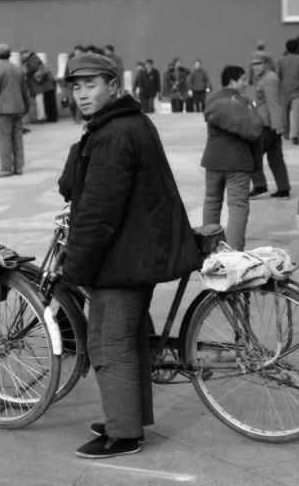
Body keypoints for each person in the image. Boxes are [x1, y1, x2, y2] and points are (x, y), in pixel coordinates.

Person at [58, 53, 200, 459]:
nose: (82, 94)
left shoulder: (114, 133)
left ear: (113, 87)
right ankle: (128, 419)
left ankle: (123, 434)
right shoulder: (121, 124)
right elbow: (73, 186)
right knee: (129, 341)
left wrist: (75, 269)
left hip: (123, 258)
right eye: (77, 87)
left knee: (108, 345)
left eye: (91, 86)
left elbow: (99, 213)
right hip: (136, 251)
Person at [201, 65, 264, 250]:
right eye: (243, 80)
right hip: (239, 162)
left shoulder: (211, 100)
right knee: (237, 206)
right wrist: (257, 168)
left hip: (213, 160)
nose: (246, 84)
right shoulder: (243, 103)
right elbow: (255, 133)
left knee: (212, 202)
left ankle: (208, 248)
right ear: (233, 81)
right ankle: (234, 251)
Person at [0, 43, 30, 178]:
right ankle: (19, 166)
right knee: (17, 138)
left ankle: (6, 167)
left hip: (3, 109)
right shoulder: (18, 70)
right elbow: (25, 91)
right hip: (18, 108)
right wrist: (26, 107)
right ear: (9, 54)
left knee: (4, 139)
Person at [248, 52, 290, 199]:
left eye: (259, 63)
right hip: (268, 123)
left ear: (266, 64)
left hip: (267, 125)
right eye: (253, 63)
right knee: (276, 157)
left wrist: (278, 126)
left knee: (252, 154)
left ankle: (260, 185)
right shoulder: (264, 78)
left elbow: (274, 103)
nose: (255, 67)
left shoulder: (269, 79)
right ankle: (283, 188)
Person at [22, 50, 58, 123]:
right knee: (49, 101)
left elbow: (32, 68)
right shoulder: (32, 58)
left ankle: (51, 117)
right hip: (46, 83)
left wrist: (26, 72)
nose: (22, 56)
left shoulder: (33, 59)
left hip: (46, 84)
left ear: (26, 53)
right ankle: (51, 117)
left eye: (22, 54)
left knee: (49, 101)